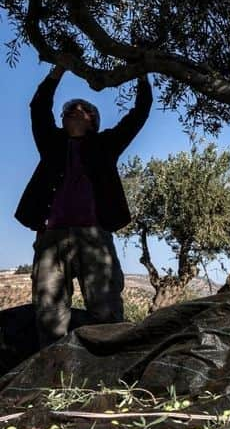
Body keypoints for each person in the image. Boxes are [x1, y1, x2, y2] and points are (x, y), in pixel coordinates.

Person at [16, 63, 152, 346]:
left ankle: (108, 373)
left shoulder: (107, 145)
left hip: (95, 237)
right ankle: (53, 378)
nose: (76, 111)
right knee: (49, 313)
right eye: (69, 111)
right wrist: (58, 70)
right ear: (63, 120)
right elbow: (38, 108)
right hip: (51, 237)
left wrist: (142, 71)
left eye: (84, 110)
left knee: (105, 311)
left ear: (93, 121)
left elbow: (138, 114)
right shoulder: (51, 143)